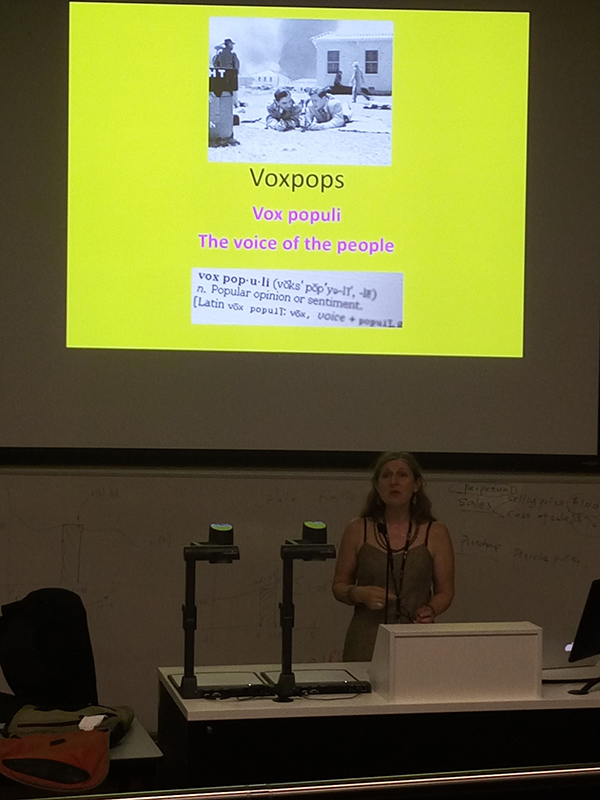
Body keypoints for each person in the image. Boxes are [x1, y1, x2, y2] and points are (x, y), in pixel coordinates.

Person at [332, 451, 455, 662]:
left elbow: (445, 591)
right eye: (386, 475)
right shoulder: (357, 529)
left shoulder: (435, 532)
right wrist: (359, 593)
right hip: (366, 640)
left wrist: (431, 610)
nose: (394, 482)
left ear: (416, 484)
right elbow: (339, 585)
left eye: (402, 475)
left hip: (415, 639)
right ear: (376, 485)